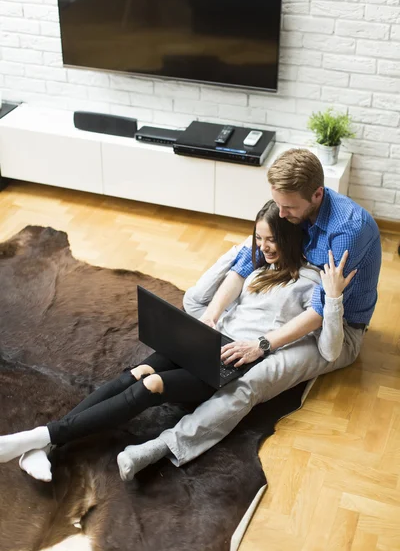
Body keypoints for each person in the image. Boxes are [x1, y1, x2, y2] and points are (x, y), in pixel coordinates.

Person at [0, 199, 352, 482]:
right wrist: (240, 254)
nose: (264, 246)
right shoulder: (257, 264)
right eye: (258, 238)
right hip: (204, 340)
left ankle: (36, 438)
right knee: (135, 372)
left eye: (271, 239)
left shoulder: (313, 282)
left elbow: (330, 349)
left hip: (233, 359)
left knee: (150, 385)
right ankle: (43, 444)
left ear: (290, 238)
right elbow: (201, 295)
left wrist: (334, 298)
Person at [117, 148, 381, 479]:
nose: (282, 214)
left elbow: (321, 308)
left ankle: (164, 446)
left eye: (289, 207)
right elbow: (247, 262)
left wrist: (263, 344)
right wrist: (217, 309)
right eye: (278, 204)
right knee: (208, 310)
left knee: (253, 380)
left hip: (337, 325)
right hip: (300, 291)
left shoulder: (348, 230)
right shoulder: (295, 211)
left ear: (317, 194)